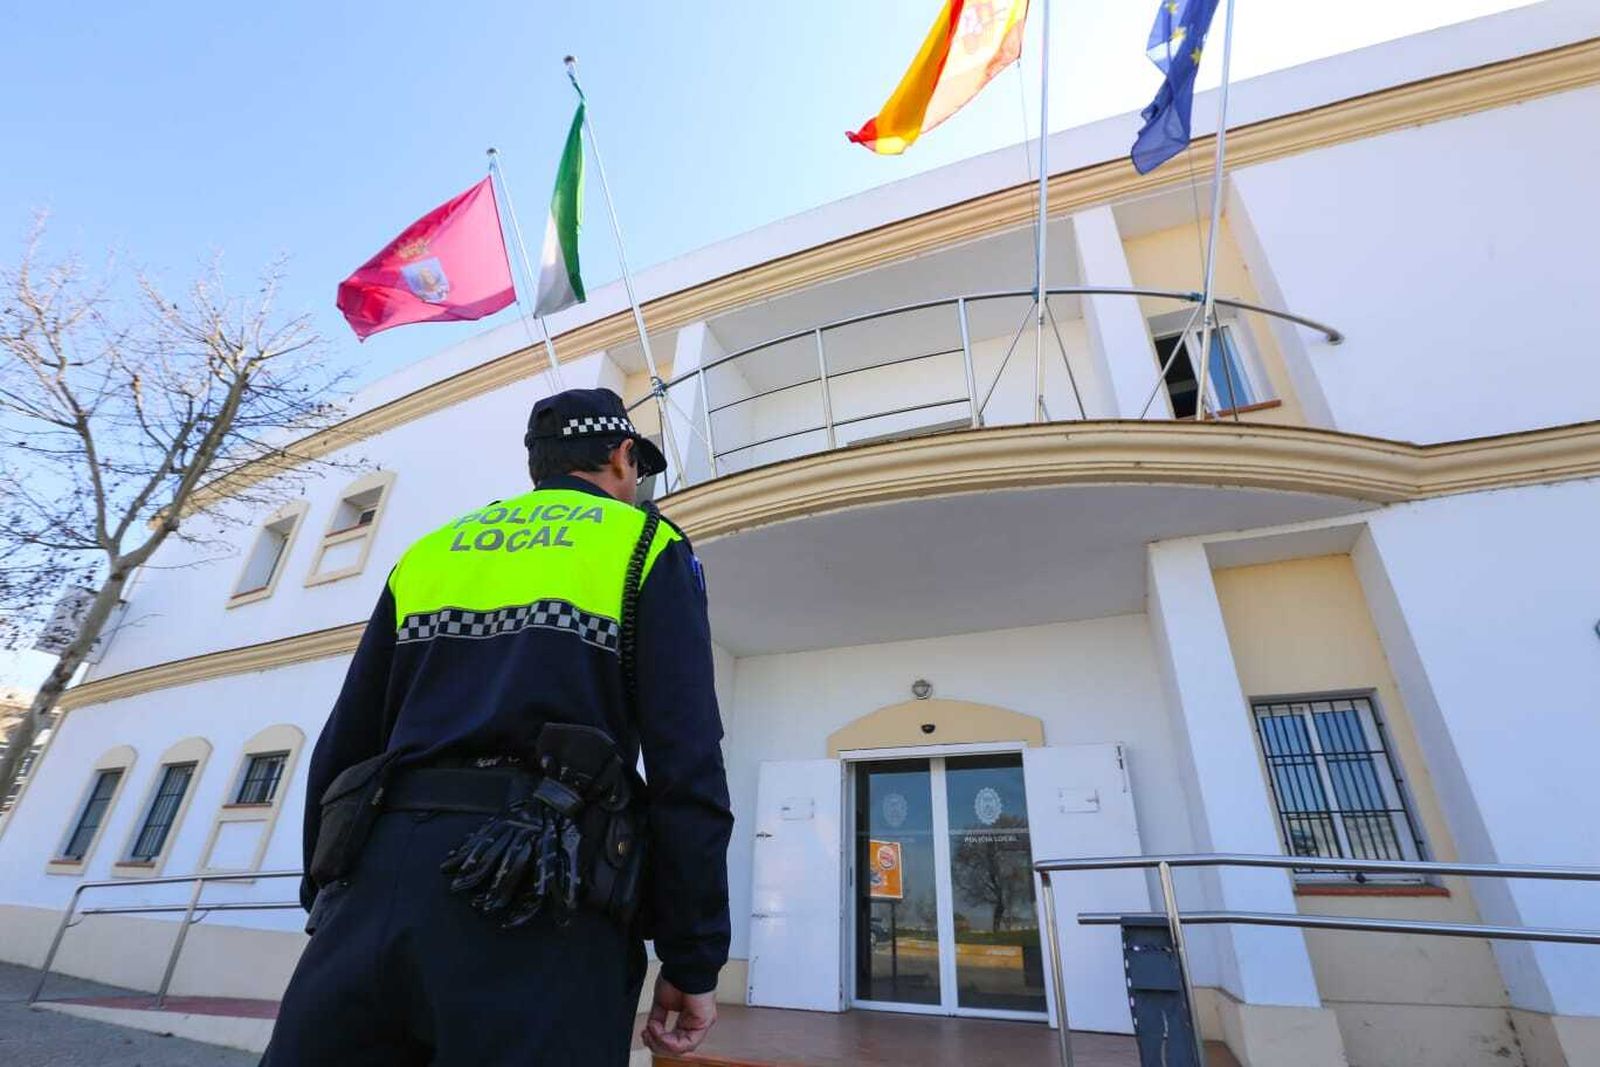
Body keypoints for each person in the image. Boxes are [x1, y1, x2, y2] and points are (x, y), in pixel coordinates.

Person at [261, 387, 733, 1066]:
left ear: (538, 464)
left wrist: (327, 889)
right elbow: (686, 761)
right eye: (638, 468)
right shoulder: (646, 544)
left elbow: (348, 739)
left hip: (377, 887)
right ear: (622, 457)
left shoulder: (434, 550)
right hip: (545, 894)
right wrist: (693, 955)